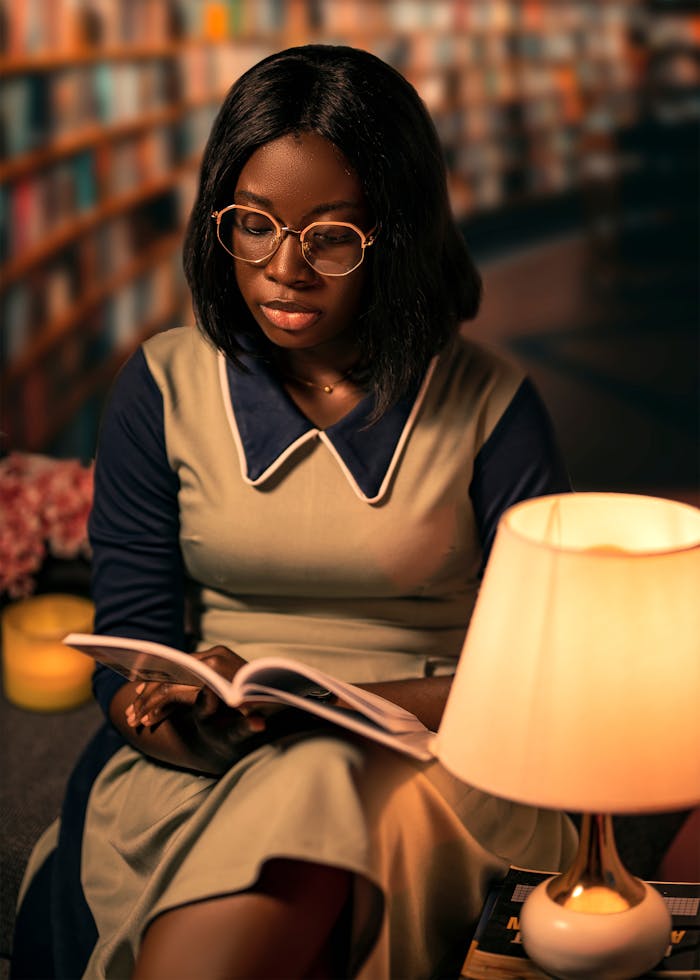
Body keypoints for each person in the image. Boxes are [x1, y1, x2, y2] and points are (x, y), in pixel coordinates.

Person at [13, 44, 576, 980]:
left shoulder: (492, 405)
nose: (285, 269)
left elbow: (538, 670)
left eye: (330, 236)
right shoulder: (160, 385)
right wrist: (168, 715)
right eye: (255, 225)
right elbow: (133, 641)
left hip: (441, 751)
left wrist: (314, 708)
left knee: (322, 785)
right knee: (297, 794)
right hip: (216, 755)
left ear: (394, 235)